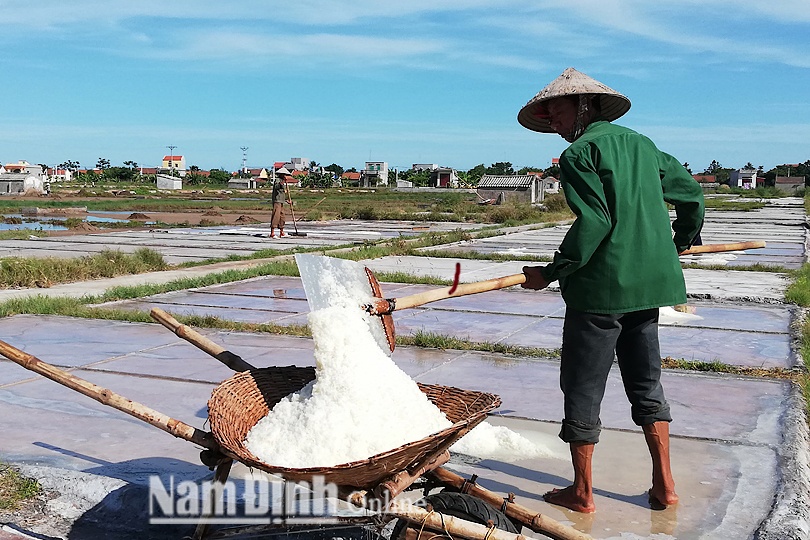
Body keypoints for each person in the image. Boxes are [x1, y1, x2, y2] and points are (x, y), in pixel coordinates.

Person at [517, 68, 705, 513]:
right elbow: (692, 195)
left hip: (599, 294)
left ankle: (582, 492)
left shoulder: (579, 154)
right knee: (647, 382)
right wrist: (675, 245)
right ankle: (666, 486)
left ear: (585, 107)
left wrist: (552, 272)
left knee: (582, 386)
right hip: (648, 289)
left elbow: (596, 222)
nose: (555, 126)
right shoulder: (644, 145)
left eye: (558, 114)